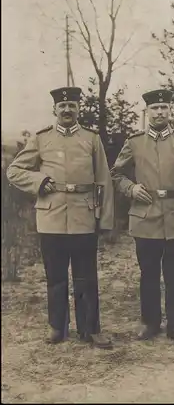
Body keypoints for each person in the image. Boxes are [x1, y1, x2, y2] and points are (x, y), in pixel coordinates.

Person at [6, 86, 114, 348]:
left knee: (86, 276)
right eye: (62, 106)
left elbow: (104, 180)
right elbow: (14, 170)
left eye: (72, 106)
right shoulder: (42, 139)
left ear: (79, 109)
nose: (67, 110)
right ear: (55, 110)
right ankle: (57, 327)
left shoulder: (91, 139)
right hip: (51, 217)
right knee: (55, 276)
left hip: (83, 216)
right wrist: (39, 180)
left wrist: (106, 219)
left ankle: (90, 329)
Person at [111, 89, 174, 348]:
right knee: (149, 272)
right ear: (147, 112)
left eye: (164, 107)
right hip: (145, 216)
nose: (160, 112)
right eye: (155, 108)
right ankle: (150, 321)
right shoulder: (134, 142)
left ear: (170, 111)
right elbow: (116, 174)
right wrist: (130, 189)